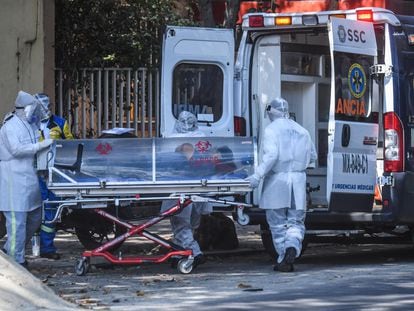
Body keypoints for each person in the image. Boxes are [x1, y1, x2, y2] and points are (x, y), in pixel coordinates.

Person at [246, 97, 317, 272]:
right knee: (295, 221)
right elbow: (313, 158)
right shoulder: (302, 131)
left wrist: (257, 175)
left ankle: (283, 257)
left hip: (277, 181)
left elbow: (271, 156)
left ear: (271, 112)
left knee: (277, 223)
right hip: (298, 181)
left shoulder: (271, 130)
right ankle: (292, 246)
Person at [0, 91, 53, 266]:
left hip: (30, 179)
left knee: (35, 218)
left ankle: (11, 250)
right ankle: (17, 260)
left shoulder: (30, 126)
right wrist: (40, 145)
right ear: (26, 109)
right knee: (17, 223)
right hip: (14, 179)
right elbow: (16, 150)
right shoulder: (10, 126)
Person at [161, 111, 211, 268]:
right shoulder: (202, 140)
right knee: (190, 226)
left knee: (181, 225)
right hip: (199, 190)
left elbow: (167, 166)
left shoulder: (175, 141)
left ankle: (195, 254)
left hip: (180, 189)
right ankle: (177, 254)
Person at [34, 93, 74, 260]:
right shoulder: (28, 124)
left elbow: (69, 145)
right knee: (33, 209)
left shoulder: (60, 123)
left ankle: (47, 248)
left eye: (47, 106)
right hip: (33, 172)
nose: (46, 109)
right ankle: (29, 247)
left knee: (50, 209)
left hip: (53, 173)